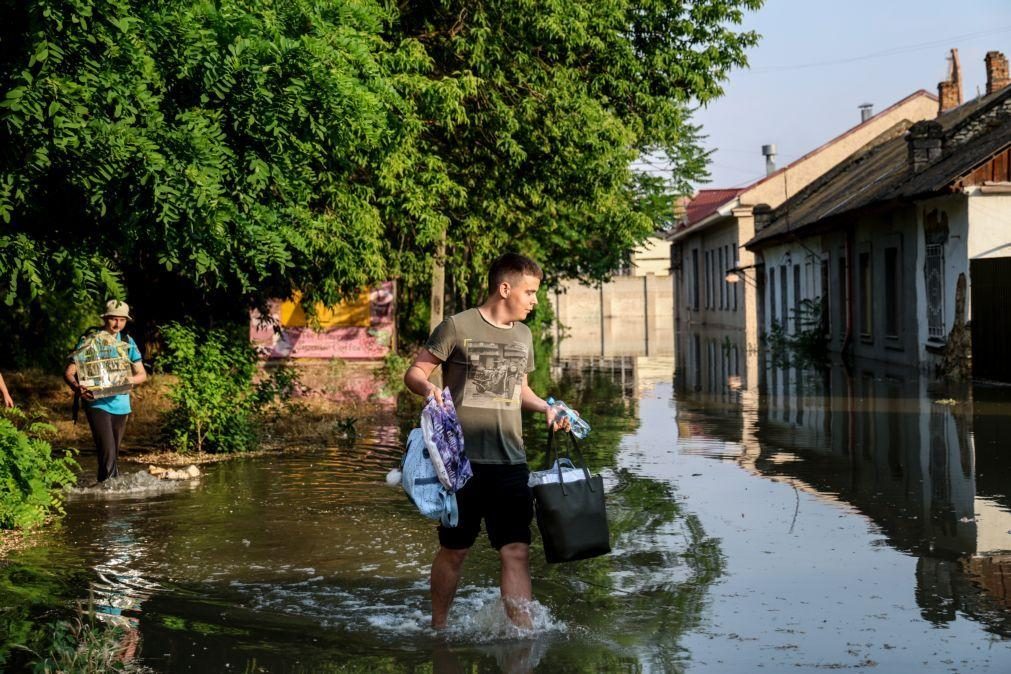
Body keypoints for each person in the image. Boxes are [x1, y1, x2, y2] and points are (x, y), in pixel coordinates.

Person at [404, 252, 574, 630]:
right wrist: (426, 387)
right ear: (504, 288)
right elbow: (416, 370)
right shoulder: (455, 326)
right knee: (455, 550)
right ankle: (439, 629)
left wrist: (546, 407)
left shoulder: (524, 335)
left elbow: (519, 389)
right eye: (530, 292)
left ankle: (523, 638)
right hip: (460, 467)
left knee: (516, 551)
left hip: (511, 463)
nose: (534, 301)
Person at [64, 300, 147, 482]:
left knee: (111, 457)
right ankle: (110, 499)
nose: (117, 324)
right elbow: (69, 373)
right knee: (108, 453)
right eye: (113, 319)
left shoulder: (127, 342)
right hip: (97, 403)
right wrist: (77, 388)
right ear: (105, 319)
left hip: (122, 405)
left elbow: (142, 374)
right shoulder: (90, 340)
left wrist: (129, 380)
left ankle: (106, 498)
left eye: (122, 320)